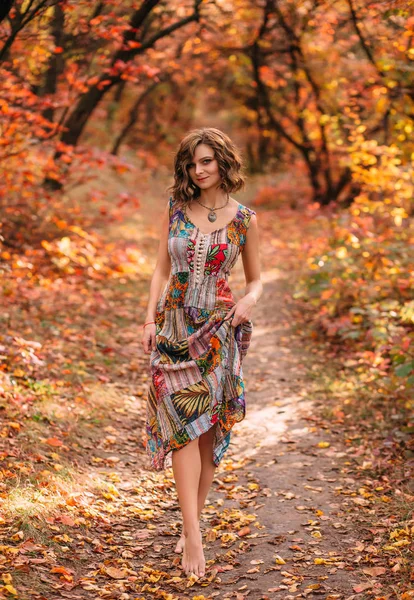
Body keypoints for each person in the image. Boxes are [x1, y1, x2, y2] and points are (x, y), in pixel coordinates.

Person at [141, 127, 262, 579]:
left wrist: (250, 300)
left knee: (207, 431)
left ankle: (193, 519)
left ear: (224, 162)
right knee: (181, 429)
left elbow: (258, 279)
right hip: (173, 329)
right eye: (193, 163)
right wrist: (149, 319)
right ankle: (192, 533)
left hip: (218, 331)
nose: (200, 169)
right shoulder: (174, 209)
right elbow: (159, 269)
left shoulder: (244, 219)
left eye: (208, 161)